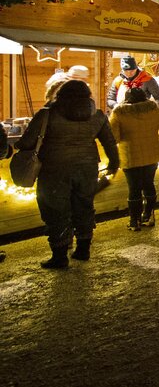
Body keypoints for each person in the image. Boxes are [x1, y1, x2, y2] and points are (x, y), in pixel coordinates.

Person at [18, 80, 119, 269]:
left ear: (61, 94)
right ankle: (83, 249)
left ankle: (59, 255)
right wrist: (114, 163)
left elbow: (27, 142)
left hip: (54, 169)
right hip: (88, 168)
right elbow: (109, 142)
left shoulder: (48, 114)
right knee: (84, 206)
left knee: (55, 210)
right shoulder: (97, 115)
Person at [109, 87, 159, 230]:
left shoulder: (119, 113)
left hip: (130, 155)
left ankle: (135, 221)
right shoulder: (153, 110)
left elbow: (113, 137)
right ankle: (148, 216)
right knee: (148, 184)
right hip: (152, 154)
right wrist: (158, 138)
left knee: (134, 188)